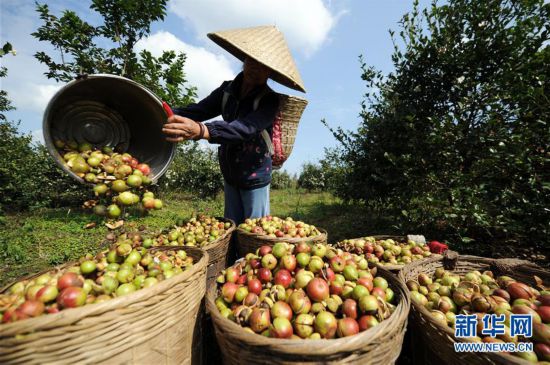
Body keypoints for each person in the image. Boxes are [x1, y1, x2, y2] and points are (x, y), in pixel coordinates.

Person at [162, 25, 306, 225]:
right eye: (252, 61)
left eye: (264, 66)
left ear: (270, 73)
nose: (256, 68)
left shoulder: (269, 100)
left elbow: (244, 128)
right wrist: (161, 110)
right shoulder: (226, 91)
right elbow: (198, 110)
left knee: (255, 231)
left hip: (256, 176)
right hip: (231, 173)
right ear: (244, 60)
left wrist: (203, 130)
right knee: (232, 226)